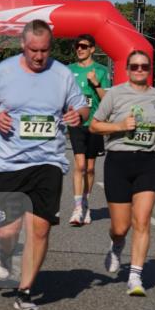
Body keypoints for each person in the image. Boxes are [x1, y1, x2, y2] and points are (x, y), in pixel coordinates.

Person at [0, 19, 88, 310]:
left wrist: (78, 115)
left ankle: (25, 290)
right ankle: (5, 253)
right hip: (8, 161)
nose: (39, 57)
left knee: (39, 229)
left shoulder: (62, 74)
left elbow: (81, 105)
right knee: (6, 232)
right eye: (34, 50)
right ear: (23, 46)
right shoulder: (3, 72)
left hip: (47, 160)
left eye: (45, 50)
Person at [89, 51, 155, 296]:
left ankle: (135, 276)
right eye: (134, 66)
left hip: (148, 162)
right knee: (120, 227)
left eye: (144, 66)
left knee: (142, 220)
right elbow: (94, 125)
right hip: (118, 162)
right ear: (127, 69)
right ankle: (116, 244)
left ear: (149, 69)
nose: (139, 70)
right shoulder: (114, 94)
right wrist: (119, 126)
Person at [67, 34, 111, 226]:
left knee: (91, 168)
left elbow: (106, 99)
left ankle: (85, 202)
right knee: (80, 165)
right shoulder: (69, 70)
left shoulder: (101, 70)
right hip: (76, 123)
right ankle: (77, 207)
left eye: (84, 46)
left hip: (94, 124)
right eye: (77, 46)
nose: (80, 49)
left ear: (92, 49)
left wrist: (96, 84)